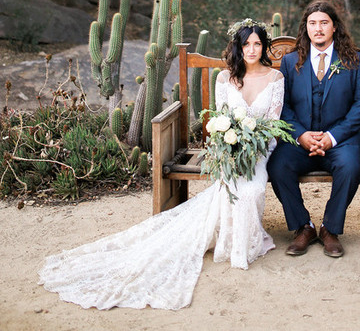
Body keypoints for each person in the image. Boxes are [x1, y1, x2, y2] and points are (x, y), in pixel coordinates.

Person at [39, 20, 284, 310]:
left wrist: (252, 148)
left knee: (252, 189)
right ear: (238, 47)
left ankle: (246, 242)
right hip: (229, 148)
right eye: (246, 44)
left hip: (261, 148)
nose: (252, 49)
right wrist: (230, 148)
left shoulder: (275, 78)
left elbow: (273, 123)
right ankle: (230, 241)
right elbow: (221, 119)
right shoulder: (224, 78)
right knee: (232, 183)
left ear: (264, 47)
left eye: (257, 44)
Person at [267, 0, 360, 259]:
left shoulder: (354, 60)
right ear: (306, 27)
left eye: (324, 23)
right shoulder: (291, 61)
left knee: (350, 167)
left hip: (340, 140)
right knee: (277, 166)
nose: (318, 28)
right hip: (301, 140)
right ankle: (304, 226)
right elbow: (283, 105)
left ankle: (329, 229)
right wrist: (301, 135)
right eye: (312, 23)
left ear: (334, 27)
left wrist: (332, 137)